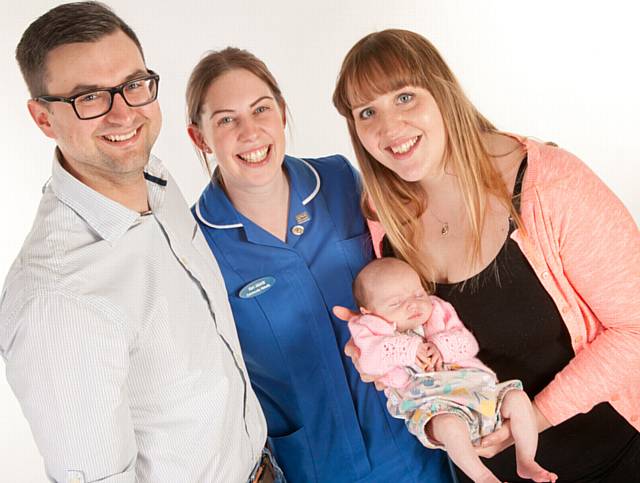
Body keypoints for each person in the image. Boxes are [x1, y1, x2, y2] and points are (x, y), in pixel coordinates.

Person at [332, 29, 640, 482]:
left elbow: (634, 329)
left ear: (443, 92)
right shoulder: (385, 223)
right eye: (366, 112)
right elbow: (434, 371)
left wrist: (532, 418)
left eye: (404, 97)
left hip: (617, 460)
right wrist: (387, 357)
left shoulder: (548, 185)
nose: (388, 127)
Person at [0, 3, 276, 482]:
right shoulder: (57, 299)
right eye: (89, 97)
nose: (124, 114)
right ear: (44, 120)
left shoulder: (152, 178)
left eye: (133, 85)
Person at [185, 47, 453, 482]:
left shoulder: (340, 179)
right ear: (200, 138)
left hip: (418, 439)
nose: (250, 132)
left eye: (261, 109)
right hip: (316, 463)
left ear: (283, 112)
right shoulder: (196, 243)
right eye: (226, 119)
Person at [349, 257, 557, 483]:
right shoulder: (368, 330)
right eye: (396, 303)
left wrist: (441, 345)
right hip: (435, 406)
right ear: (368, 312)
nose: (413, 304)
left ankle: (526, 460)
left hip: (480, 394)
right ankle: (483, 477)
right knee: (449, 427)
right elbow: (370, 360)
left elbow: (468, 343)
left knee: (518, 398)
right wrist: (408, 349)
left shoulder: (438, 311)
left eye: (418, 294)